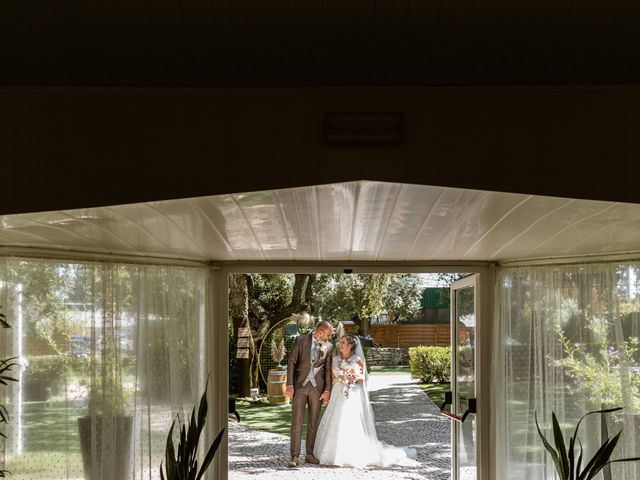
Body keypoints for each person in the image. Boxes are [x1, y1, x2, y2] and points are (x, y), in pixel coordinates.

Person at [313, 334, 418, 467]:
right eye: (340, 342)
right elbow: (334, 375)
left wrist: (352, 377)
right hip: (338, 393)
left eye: (343, 342)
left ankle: (353, 453)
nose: (340, 344)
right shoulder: (335, 359)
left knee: (351, 420)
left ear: (351, 345)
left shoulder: (358, 359)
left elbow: (363, 377)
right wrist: (343, 376)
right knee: (336, 419)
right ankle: (333, 452)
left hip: (353, 394)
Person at [285, 320, 334, 468]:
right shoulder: (300, 340)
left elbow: (327, 370)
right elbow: (292, 362)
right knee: (297, 422)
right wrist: (290, 385)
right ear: (320, 332)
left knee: (313, 423)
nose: (329, 337)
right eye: (328, 334)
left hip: (317, 389)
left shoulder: (329, 347)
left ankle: (309, 454)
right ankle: (294, 456)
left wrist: (327, 390)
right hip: (299, 387)